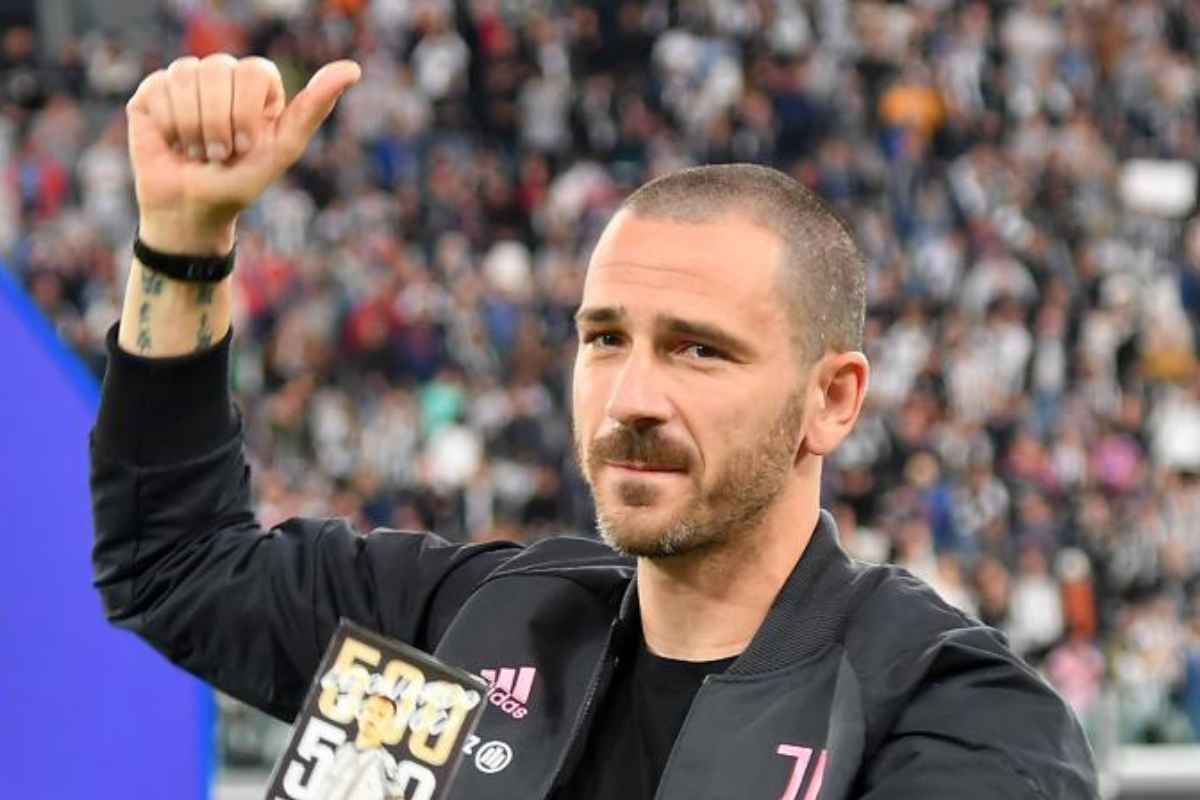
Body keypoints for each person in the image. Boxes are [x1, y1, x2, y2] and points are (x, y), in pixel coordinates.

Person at [91, 54, 1097, 798]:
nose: (632, 397)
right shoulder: (473, 621)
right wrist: (184, 242)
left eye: (699, 349)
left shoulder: (958, 713)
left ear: (832, 399)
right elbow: (173, 565)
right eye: (606, 338)